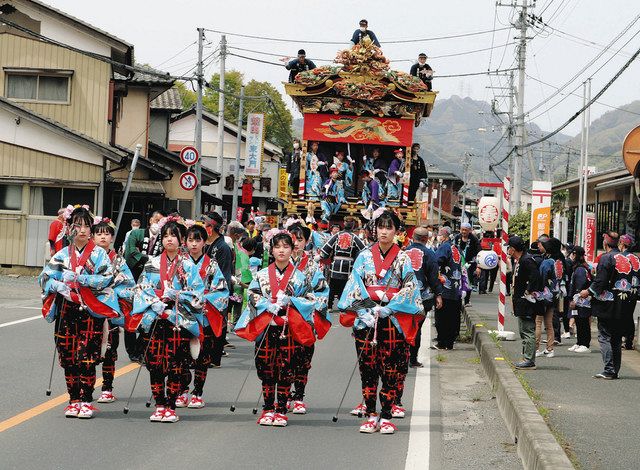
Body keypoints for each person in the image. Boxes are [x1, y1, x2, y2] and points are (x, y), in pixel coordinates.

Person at [338, 210, 423, 435]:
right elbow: (353, 285)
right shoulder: (364, 256)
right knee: (368, 368)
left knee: (391, 369)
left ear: (397, 232)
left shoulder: (403, 258)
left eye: (389, 227)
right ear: (374, 229)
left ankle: (386, 414)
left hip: (392, 318)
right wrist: (366, 306)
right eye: (380, 227)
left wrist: (390, 306)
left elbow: (411, 289)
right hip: (367, 318)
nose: (384, 232)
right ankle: (370, 413)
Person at [39, 206, 119, 419]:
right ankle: (73, 399)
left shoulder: (100, 254)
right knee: (68, 356)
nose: (82, 230)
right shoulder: (62, 254)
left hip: (90, 310)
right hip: (67, 310)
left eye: (86, 226)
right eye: (77, 225)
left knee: (87, 357)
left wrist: (81, 279)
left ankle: (86, 400)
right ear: (69, 228)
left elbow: (106, 279)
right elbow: (44, 277)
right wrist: (57, 285)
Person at [235, 231, 316, 427]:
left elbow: (310, 300)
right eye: (277, 247)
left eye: (286, 247)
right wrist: (265, 304)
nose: (281, 250)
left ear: (292, 249)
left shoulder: (299, 277)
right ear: (271, 250)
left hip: (289, 328)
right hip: (267, 326)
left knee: (287, 368)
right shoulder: (262, 275)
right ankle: (268, 408)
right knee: (266, 368)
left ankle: (281, 409)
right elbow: (252, 295)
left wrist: (292, 301)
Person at [132, 218, 204, 423]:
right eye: (165, 236)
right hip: (156, 317)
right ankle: (159, 404)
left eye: (173, 235)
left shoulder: (188, 266)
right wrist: (153, 301)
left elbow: (198, 294)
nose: (169, 239)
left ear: (181, 239)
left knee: (176, 364)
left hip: (178, 320)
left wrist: (177, 296)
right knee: (155, 364)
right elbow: (140, 288)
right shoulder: (151, 263)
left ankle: (171, 405)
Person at [178, 223, 229, 409]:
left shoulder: (212, 265)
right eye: (190, 240)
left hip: (204, 314)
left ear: (204, 242)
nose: (193, 244)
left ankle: (197, 392)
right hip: (183, 314)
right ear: (184, 242)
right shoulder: (179, 264)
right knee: (181, 355)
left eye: (197, 240)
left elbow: (222, 291)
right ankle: (181, 390)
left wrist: (202, 298)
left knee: (202, 356)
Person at [579, 231, 635, 379]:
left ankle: (609, 369)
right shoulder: (633, 259)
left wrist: (588, 292)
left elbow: (600, 281)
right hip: (626, 303)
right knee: (616, 337)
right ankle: (614, 370)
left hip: (608, 304)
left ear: (605, 243)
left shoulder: (606, 258)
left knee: (604, 336)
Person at [91, 217, 136, 404]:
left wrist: (110, 292)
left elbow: (128, 284)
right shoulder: (87, 257)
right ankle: (86, 385)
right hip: (89, 308)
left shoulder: (118, 260)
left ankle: (107, 387)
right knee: (89, 349)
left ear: (112, 238)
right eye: (99, 234)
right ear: (92, 237)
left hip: (110, 309)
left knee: (110, 350)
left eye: (107, 234)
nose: (103, 237)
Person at [288, 222, 330, 414]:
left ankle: (299, 396)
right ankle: (284, 394)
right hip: (284, 320)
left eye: (300, 239)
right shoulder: (279, 264)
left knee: (303, 359)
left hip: (305, 319)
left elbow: (322, 292)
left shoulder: (312, 266)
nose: (295, 243)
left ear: (306, 242)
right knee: (283, 358)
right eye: (292, 239)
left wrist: (303, 304)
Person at [124, 210, 167, 362]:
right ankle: (132, 351)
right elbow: (130, 252)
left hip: (150, 280)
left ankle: (140, 348)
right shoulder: (136, 234)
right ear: (150, 221)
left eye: (161, 221)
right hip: (132, 277)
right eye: (156, 220)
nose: (158, 223)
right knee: (130, 312)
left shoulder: (164, 238)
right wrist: (148, 259)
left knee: (147, 313)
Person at [405, 226, 443, 367]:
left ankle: (402, 356)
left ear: (412, 237)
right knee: (417, 327)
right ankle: (413, 359)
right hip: (422, 297)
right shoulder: (430, 254)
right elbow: (434, 277)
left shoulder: (403, 252)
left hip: (403, 297)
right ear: (426, 239)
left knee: (402, 326)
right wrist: (438, 294)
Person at [204, 212, 235, 366]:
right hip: (203, 290)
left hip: (217, 290)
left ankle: (215, 358)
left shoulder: (222, 247)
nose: (204, 227)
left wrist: (217, 291)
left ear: (213, 227)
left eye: (207, 224)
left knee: (218, 323)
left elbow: (224, 273)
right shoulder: (204, 243)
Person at [508, 235, 542, 370]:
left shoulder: (527, 260)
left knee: (528, 330)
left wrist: (528, 292)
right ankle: (526, 357)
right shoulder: (520, 260)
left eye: (509, 248)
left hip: (526, 302)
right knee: (523, 330)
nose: (508, 251)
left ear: (513, 249)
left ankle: (529, 360)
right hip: (520, 301)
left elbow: (535, 277)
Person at [321, 217, 365, 308]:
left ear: (344, 224)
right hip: (348, 268)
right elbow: (364, 251)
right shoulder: (354, 237)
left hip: (335, 266)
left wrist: (326, 259)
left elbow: (325, 250)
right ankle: (342, 308)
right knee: (345, 288)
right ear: (353, 225)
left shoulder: (336, 235)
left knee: (332, 288)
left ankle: (329, 307)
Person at [433, 226, 463, 350]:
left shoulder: (444, 247)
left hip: (445, 286)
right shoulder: (456, 248)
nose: (438, 237)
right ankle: (449, 343)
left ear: (443, 236)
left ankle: (442, 342)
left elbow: (437, 261)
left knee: (442, 318)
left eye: (439, 235)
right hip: (456, 287)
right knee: (453, 317)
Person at [535, 237, 564, 359]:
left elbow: (541, 278)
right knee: (549, 323)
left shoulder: (546, 263)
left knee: (538, 322)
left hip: (544, 295)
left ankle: (535, 348)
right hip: (555, 295)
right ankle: (550, 348)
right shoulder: (558, 263)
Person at [567, 246, 592, 353]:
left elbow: (580, 285)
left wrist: (574, 298)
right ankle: (579, 342)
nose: (572, 256)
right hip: (578, 299)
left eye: (573, 254)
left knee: (583, 321)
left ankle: (585, 344)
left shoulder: (581, 268)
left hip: (582, 299)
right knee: (578, 320)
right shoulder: (579, 267)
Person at [454, 223, 480, 306]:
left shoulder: (474, 239)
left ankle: (467, 300)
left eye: (466, 230)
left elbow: (478, 252)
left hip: (470, 264)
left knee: (468, 282)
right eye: (462, 229)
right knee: (457, 280)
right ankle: (457, 298)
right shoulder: (457, 237)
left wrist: (478, 266)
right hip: (458, 263)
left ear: (469, 230)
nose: (464, 231)